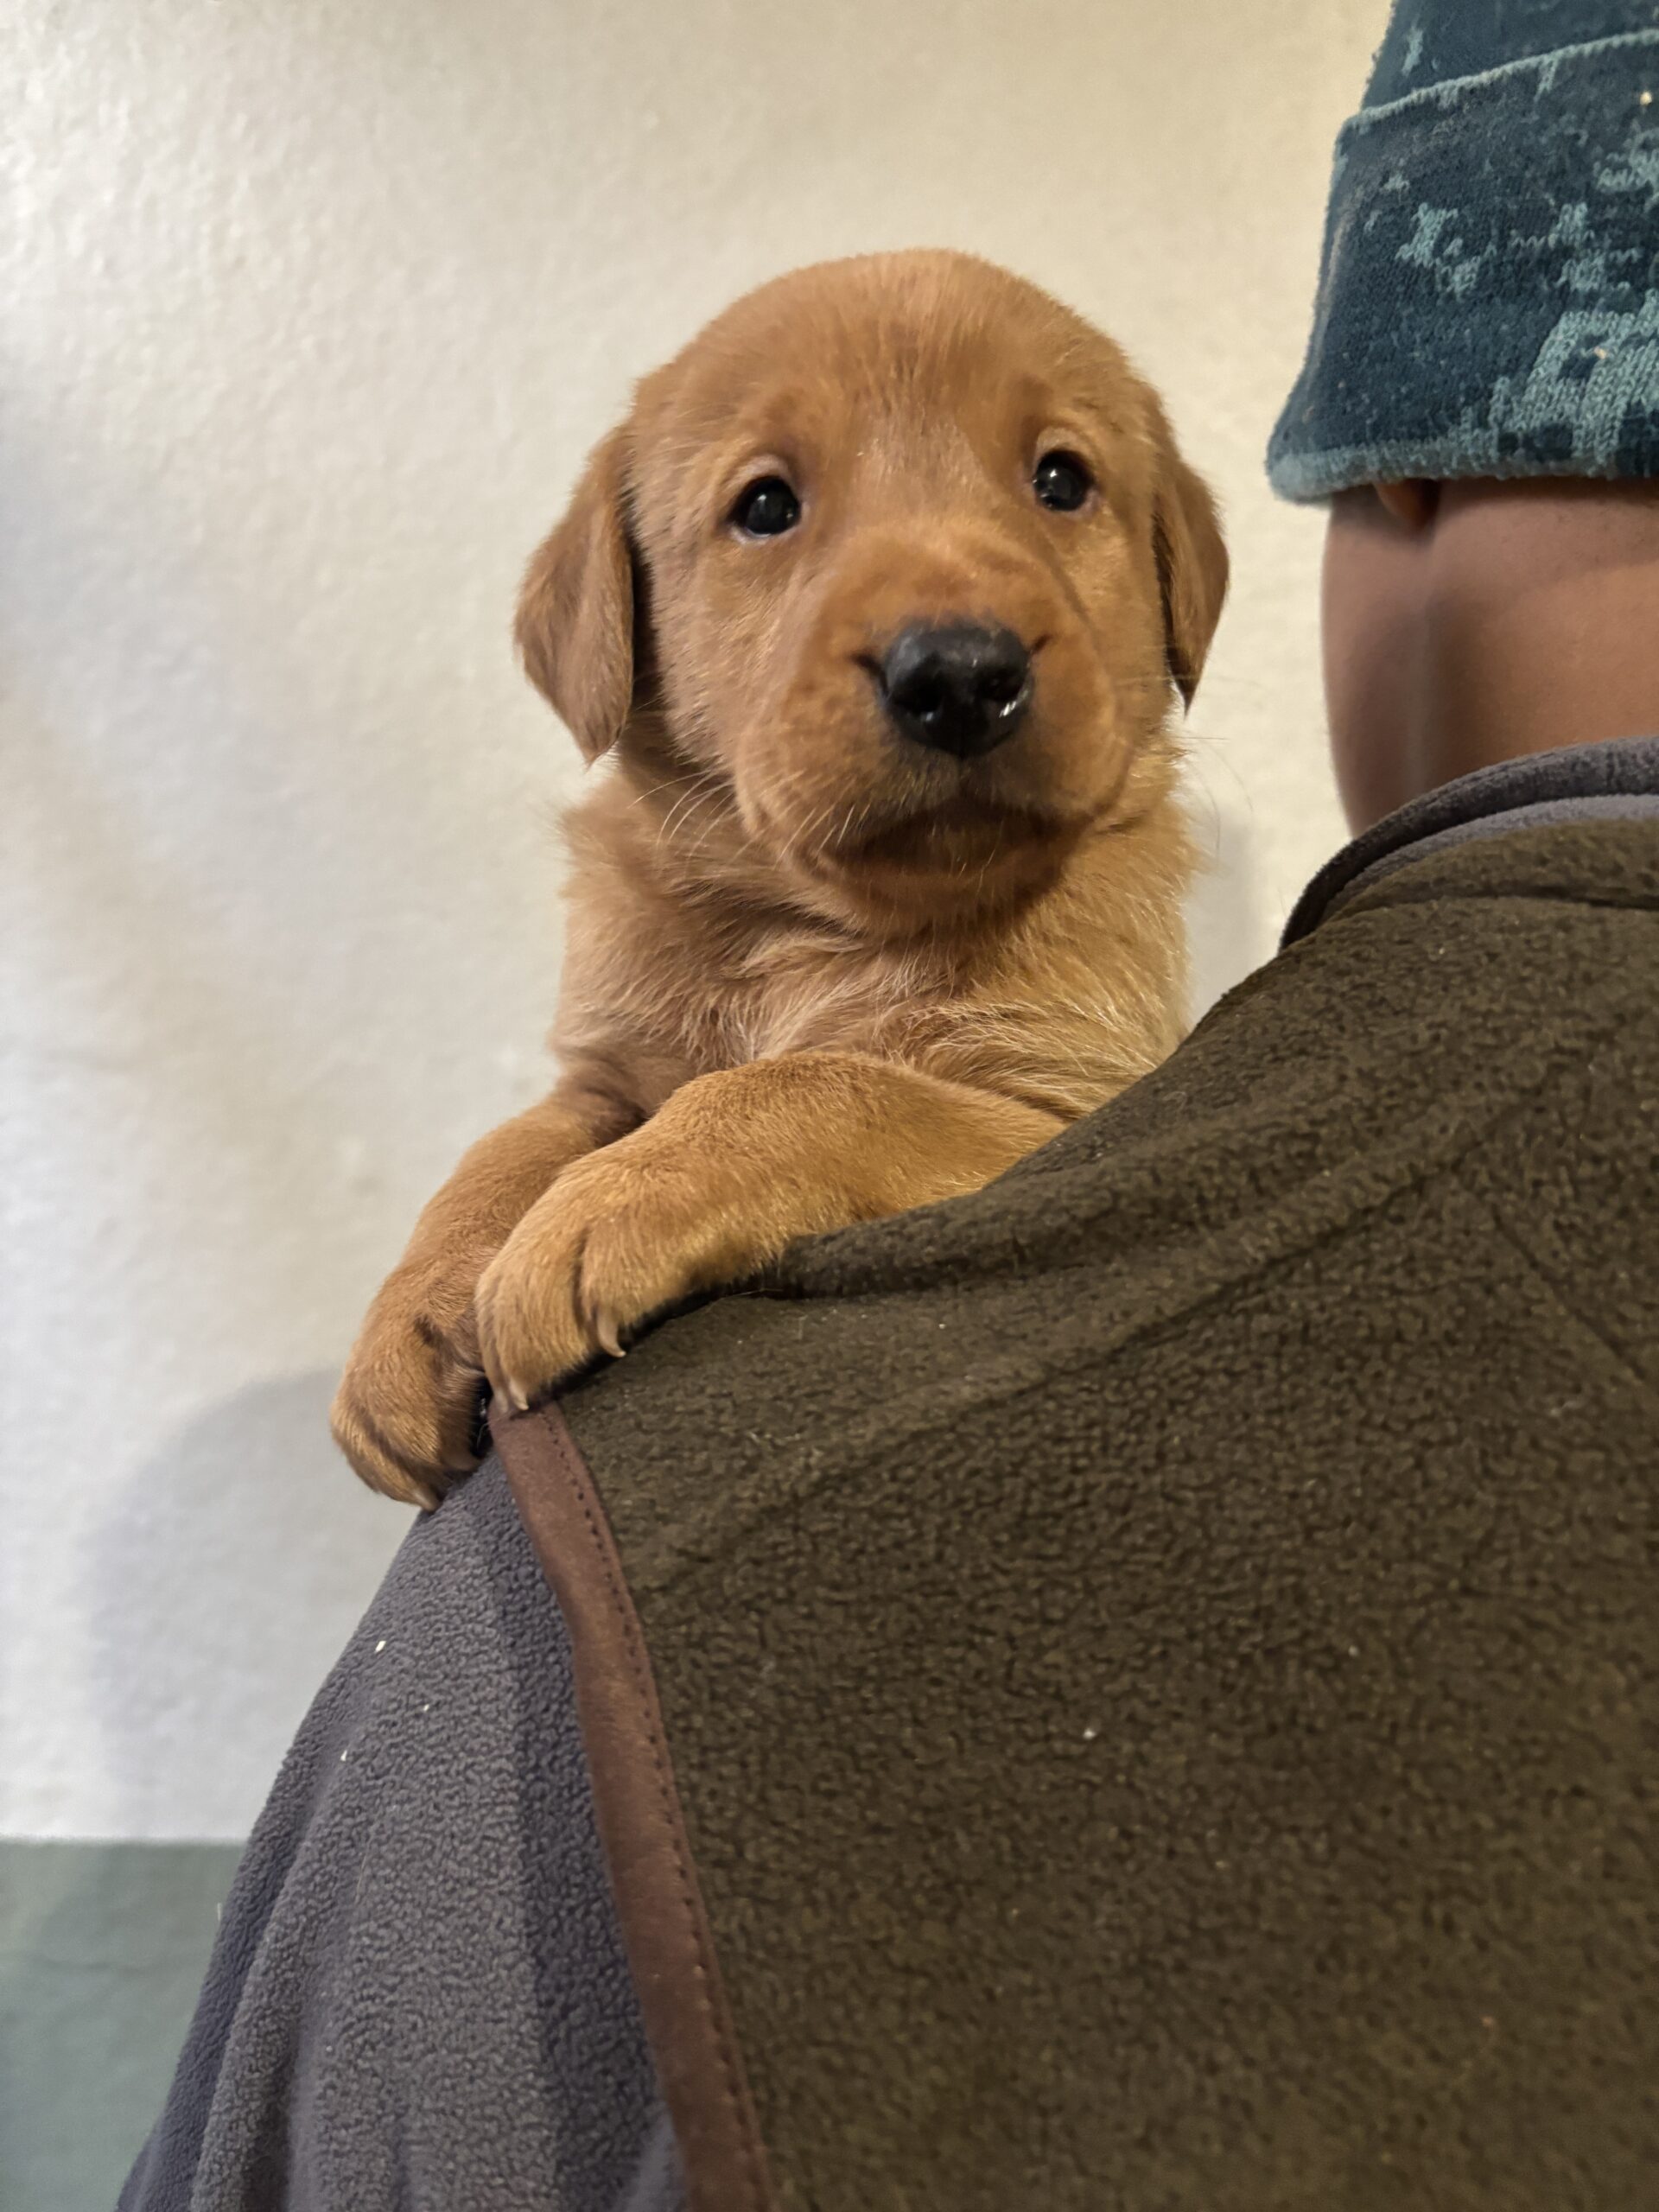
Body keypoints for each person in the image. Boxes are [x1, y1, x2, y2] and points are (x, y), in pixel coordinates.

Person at [123, 5, 1659, 2207]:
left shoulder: (1086, 901)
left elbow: (1065, 1163)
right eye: (766, 507)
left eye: (1062, 481)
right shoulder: (656, 902)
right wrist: (495, 1203)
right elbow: (606, 1097)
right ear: (614, 639)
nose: (954, 623)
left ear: (1178, 585)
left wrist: (744, 1142)